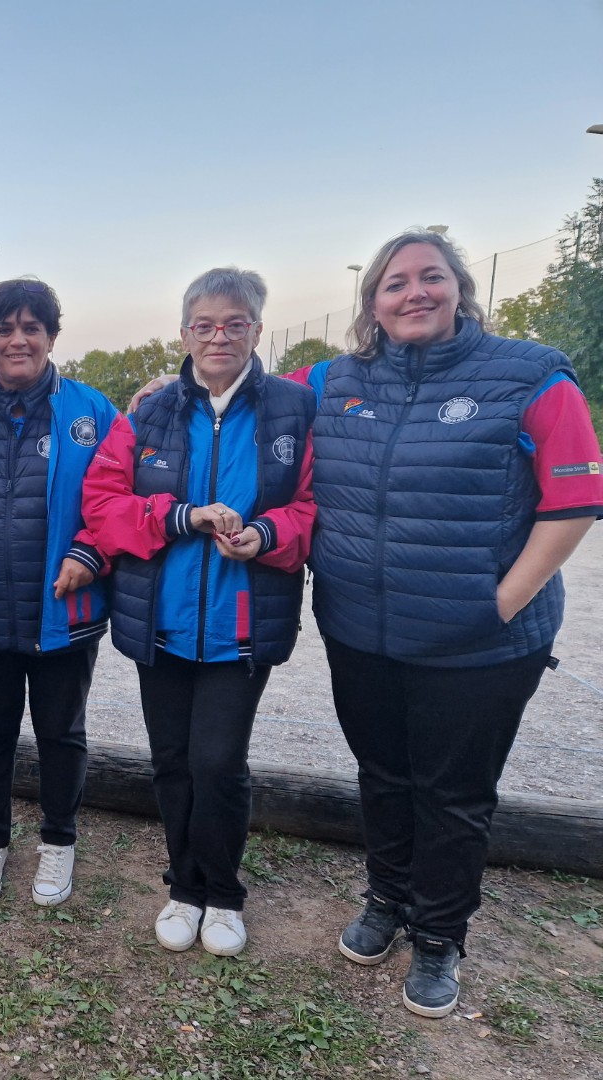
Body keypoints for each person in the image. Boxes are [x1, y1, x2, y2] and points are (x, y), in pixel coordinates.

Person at [295, 231, 602, 1017]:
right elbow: (242, 391)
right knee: (384, 776)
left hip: (481, 644)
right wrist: (164, 390)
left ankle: (439, 935)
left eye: (431, 277)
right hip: (362, 632)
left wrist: (500, 603)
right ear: (373, 302)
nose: (413, 293)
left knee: (455, 793)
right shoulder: (333, 381)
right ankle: (387, 898)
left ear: (461, 288)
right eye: (395, 283)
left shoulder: (530, 376)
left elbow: (573, 503)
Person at [78, 267, 316, 957]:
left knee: (219, 763)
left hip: (241, 629)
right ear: (184, 332)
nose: (219, 337)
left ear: (256, 331)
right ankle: (183, 886)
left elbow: (309, 509)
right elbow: (104, 505)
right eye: (205, 325)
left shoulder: (292, 412)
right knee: (172, 762)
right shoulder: (147, 414)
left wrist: (264, 536)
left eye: (235, 324)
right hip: (163, 622)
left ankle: (224, 893)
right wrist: (180, 517)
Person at [0, 278, 116, 907]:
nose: (17, 339)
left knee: (61, 733)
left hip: (63, 610)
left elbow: (118, 500)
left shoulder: (93, 412)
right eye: (4, 329)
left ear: (51, 336)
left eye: (31, 328)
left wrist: (91, 553)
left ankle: (58, 842)